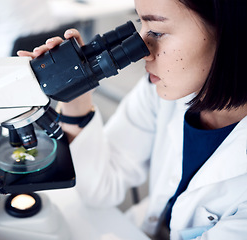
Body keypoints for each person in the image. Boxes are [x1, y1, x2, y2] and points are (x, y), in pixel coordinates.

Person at [18, 0, 247, 239]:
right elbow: (100, 190)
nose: (141, 51)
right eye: (140, 23)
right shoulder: (163, 92)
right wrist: (76, 94)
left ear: (234, 34)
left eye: (157, 31)